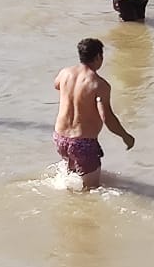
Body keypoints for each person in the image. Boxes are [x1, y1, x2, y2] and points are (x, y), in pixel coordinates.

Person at [52, 37, 134, 190]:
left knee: (71, 178)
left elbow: (56, 85)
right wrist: (125, 136)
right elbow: (107, 118)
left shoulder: (65, 73)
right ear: (98, 57)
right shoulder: (99, 84)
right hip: (82, 143)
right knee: (91, 190)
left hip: (60, 138)